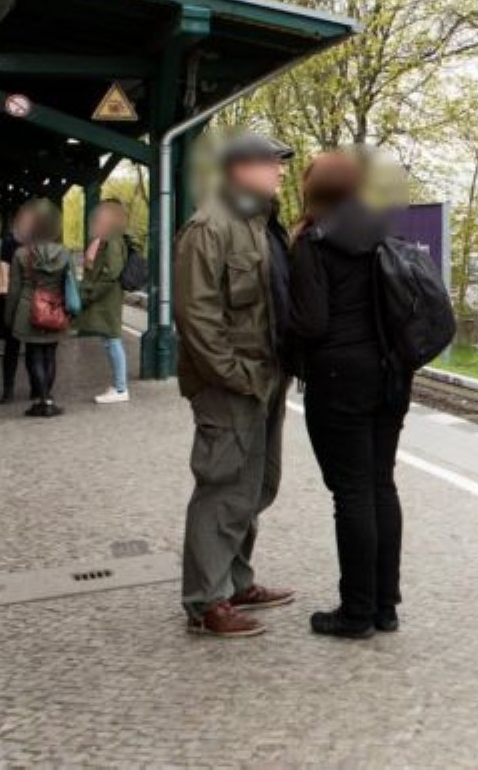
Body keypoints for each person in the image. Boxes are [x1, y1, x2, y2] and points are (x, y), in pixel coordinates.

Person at [288, 150, 413, 640]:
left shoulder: (314, 241)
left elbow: (311, 322)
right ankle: (385, 606)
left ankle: (356, 612)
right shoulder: (384, 233)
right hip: (390, 375)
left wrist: (282, 338)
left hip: (340, 379)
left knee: (352, 492)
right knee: (382, 485)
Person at [175, 132, 295, 638]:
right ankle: (206, 602)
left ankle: (236, 580)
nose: (281, 171)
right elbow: (196, 314)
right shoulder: (210, 226)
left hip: (266, 377)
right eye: (272, 163)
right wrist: (235, 374)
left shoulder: (260, 222)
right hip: (232, 383)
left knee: (257, 485)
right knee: (223, 486)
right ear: (240, 169)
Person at [4, 199, 71, 418]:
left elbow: (14, 289)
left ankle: (42, 401)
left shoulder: (21, 254)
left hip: (28, 310)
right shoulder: (64, 254)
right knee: (50, 355)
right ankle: (48, 400)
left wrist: (9, 317)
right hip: (55, 309)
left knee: (34, 356)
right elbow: (71, 286)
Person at [76, 201, 131, 404]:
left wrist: (90, 293)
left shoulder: (113, 241)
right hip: (107, 296)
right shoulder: (108, 239)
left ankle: (120, 389)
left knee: (113, 340)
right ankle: (118, 385)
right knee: (110, 340)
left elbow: (111, 272)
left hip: (108, 297)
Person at [0, 204, 40, 404]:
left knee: (26, 348)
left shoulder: (13, 241)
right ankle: (12, 390)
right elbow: (3, 269)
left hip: (25, 300)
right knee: (16, 348)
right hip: (16, 299)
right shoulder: (13, 241)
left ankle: (28, 389)